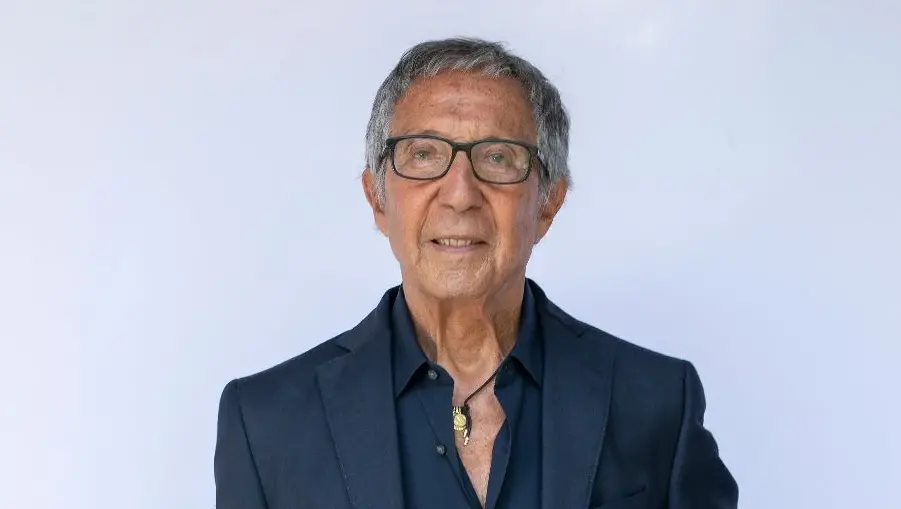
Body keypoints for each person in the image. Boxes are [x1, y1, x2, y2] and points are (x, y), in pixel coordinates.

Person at [214, 37, 738, 509]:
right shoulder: (265, 424)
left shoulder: (657, 401)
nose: (460, 194)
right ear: (377, 198)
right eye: (423, 154)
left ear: (548, 203)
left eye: (498, 158)